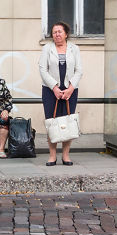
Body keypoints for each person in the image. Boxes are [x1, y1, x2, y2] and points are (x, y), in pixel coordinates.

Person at [39, 21, 83, 167]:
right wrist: (55, 88)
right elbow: (43, 70)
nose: (57, 34)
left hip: (70, 91)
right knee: (52, 122)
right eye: (54, 32)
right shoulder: (47, 48)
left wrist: (71, 88)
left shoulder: (74, 49)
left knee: (68, 121)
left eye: (59, 31)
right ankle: (52, 156)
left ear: (66, 34)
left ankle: (65, 155)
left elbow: (79, 70)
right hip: (50, 91)